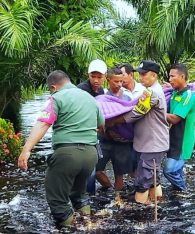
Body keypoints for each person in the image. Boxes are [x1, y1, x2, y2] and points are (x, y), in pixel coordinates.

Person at [18, 70, 104, 226]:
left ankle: (70, 228)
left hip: (67, 154)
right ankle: (88, 225)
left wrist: (26, 149)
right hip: (91, 154)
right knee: (79, 194)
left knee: (57, 200)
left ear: (53, 87)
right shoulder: (91, 99)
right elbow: (101, 125)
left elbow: (44, 123)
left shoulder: (56, 98)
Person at [107, 60, 169, 204]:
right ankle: (157, 206)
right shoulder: (153, 90)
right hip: (154, 143)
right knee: (154, 178)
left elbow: (136, 112)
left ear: (153, 76)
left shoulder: (152, 93)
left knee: (142, 181)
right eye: (139, 74)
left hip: (152, 144)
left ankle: (139, 216)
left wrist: (115, 121)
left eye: (143, 74)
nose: (140, 78)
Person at [96, 68, 133, 192]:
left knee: (119, 173)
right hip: (104, 139)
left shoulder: (128, 97)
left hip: (122, 141)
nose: (119, 84)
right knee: (96, 170)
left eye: (121, 81)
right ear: (108, 80)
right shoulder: (102, 97)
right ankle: (109, 188)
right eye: (116, 81)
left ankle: (117, 198)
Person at [163, 63, 195, 191]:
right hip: (173, 139)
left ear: (182, 77)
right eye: (169, 76)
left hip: (183, 141)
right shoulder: (175, 93)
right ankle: (178, 196)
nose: (169, 79)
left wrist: (156, 112)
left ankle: (184, 191)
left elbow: (175, 119)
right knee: (176, 172)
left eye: (172, 76)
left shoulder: (188, 96)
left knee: (169, 171)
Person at [77, 59, 107, 194]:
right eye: (92, 76)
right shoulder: (81, 90)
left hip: (94, 135)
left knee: (92, 169)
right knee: (87, 170)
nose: (96, 80)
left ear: (105, 76)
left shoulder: (101, 92)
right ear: (88, 75)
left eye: (99, 77)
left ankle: (90, 198)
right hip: (81, 135)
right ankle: (85, 198)